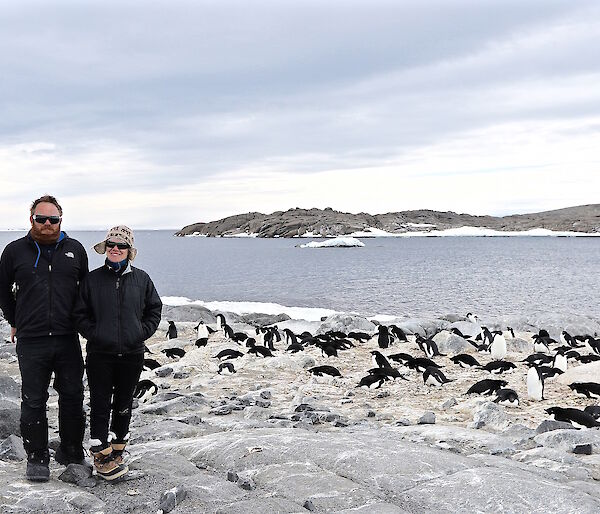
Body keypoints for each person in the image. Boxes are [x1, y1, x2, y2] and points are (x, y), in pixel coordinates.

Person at [0, 194, 88, 481]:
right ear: (31, 219)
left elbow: (86, 292)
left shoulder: (75, 249)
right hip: (31, 339)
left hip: (67, 338)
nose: (47, 224)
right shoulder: (14, 251)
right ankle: (37, 458)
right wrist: (15, 321)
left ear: (61, 221)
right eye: (42, 218)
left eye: (53, 219)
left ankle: (71, 450)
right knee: (33, 400)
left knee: (73, 396)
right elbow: (3, 292)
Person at [74, 225, 162, 480]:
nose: (115, 248)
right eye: (111, 244)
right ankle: (100, 453)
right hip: (100, 353)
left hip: (133, 353)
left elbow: (154, 309)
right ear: (105, 248)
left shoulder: (142, 279)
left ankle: (119, 446)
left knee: (124, 403)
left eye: (121, 245)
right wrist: (96, 333)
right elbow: (80, 314)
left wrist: (140, 333)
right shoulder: (92, 279)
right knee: (100, 403)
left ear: (128, 251)